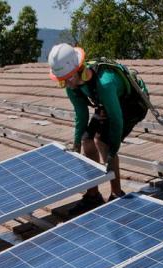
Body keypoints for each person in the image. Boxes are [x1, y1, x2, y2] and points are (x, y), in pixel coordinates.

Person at [48, 43, 148, 213]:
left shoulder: (105, 82)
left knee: (103, 141)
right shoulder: (72, 86)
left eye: (67, 79)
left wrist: (112, 151)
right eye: (62, 81)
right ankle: (93, 194)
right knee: (87, 139)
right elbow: (81, 116)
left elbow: (116, 120)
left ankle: (116, 194)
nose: (66, 84)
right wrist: (76, 146)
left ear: (77, 71)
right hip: (107, 103)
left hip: (132, 104)